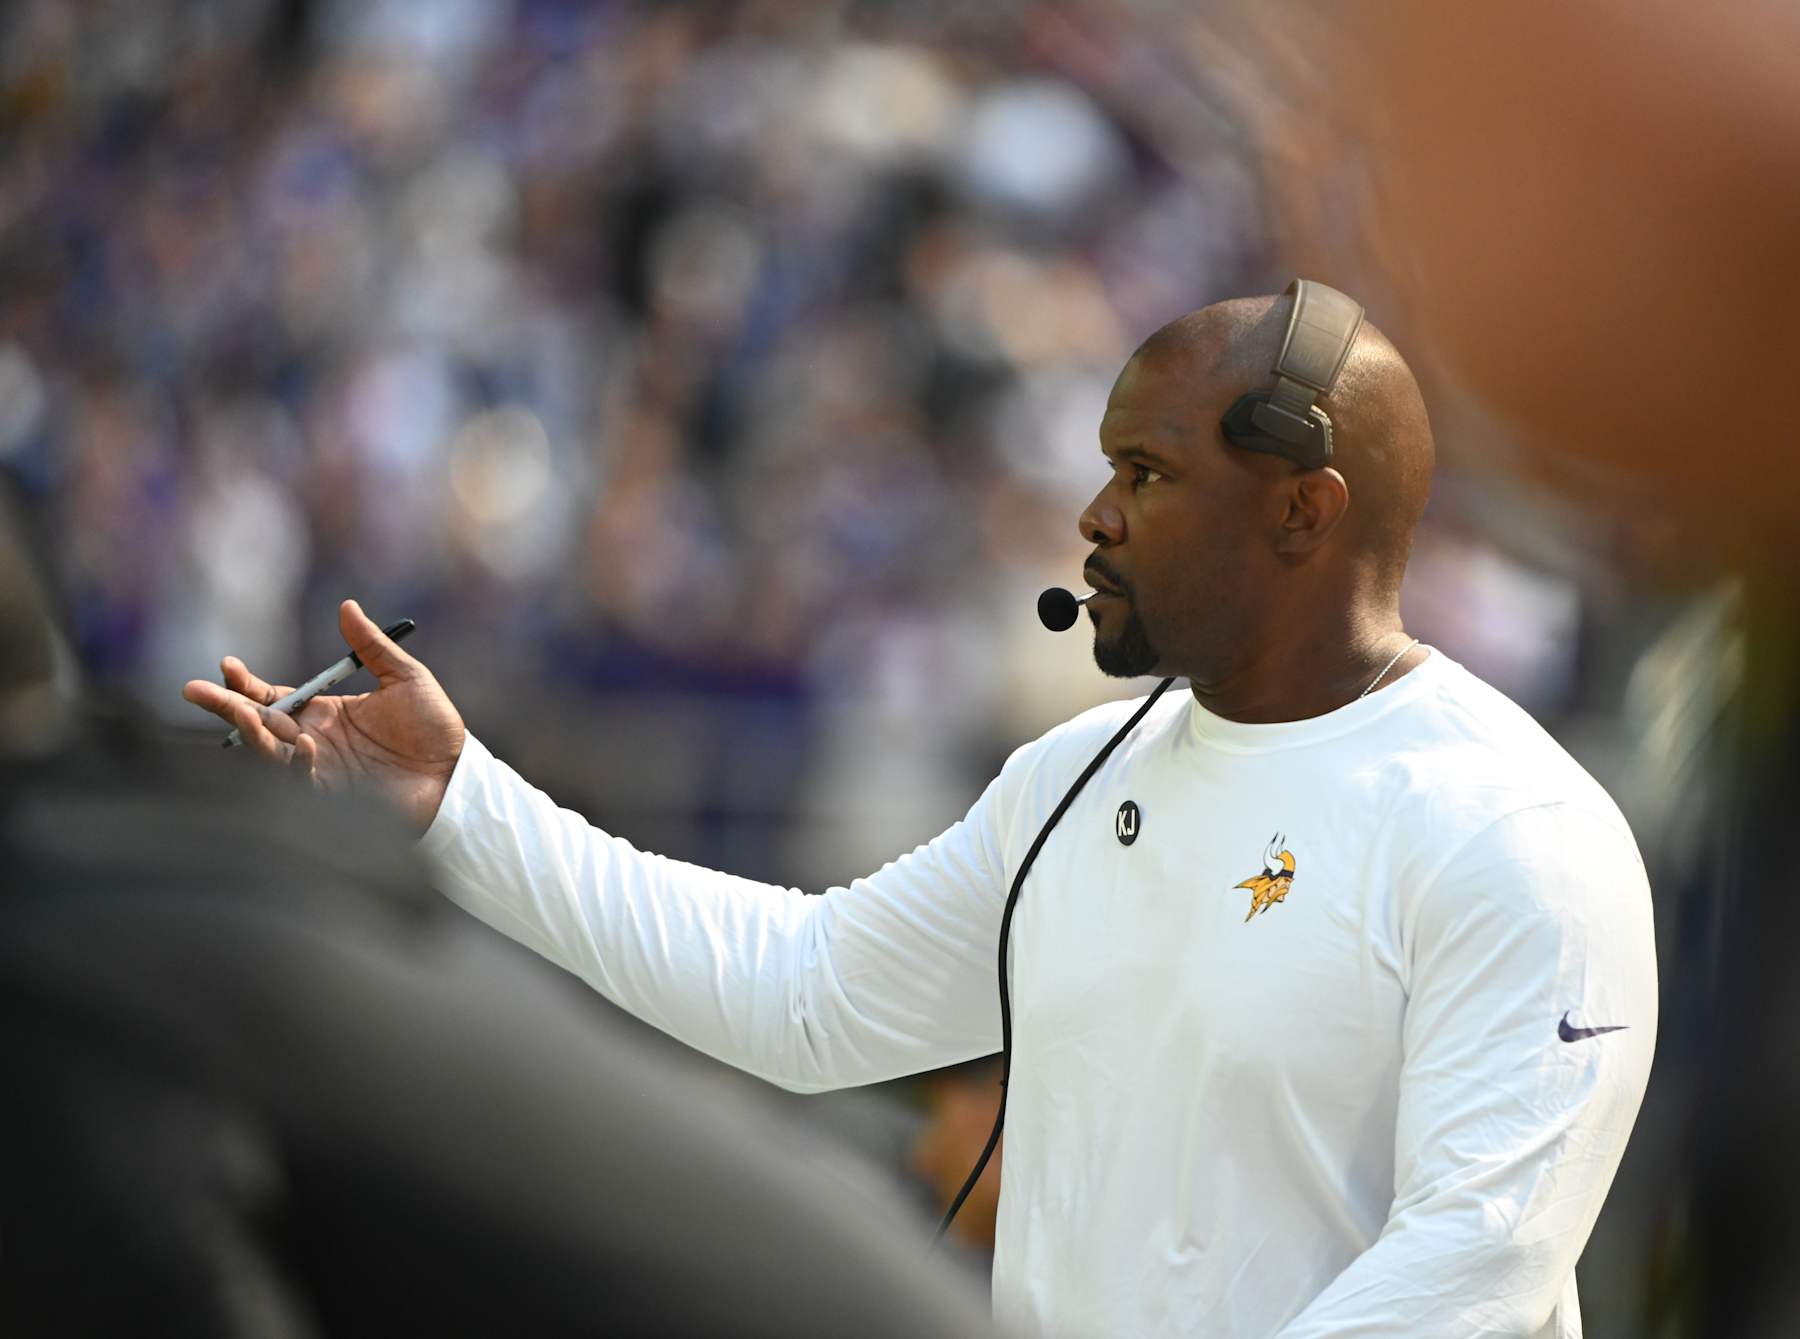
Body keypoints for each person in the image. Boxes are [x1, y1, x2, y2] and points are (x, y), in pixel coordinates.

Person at [185, 286, 1658, 1338]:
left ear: (1302, 512)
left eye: (1147, 474)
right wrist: (458, 801)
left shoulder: (1514, 828)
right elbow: (802, 995)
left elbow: (1473, 1265)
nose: (1095, 518)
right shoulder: (1073, 778)